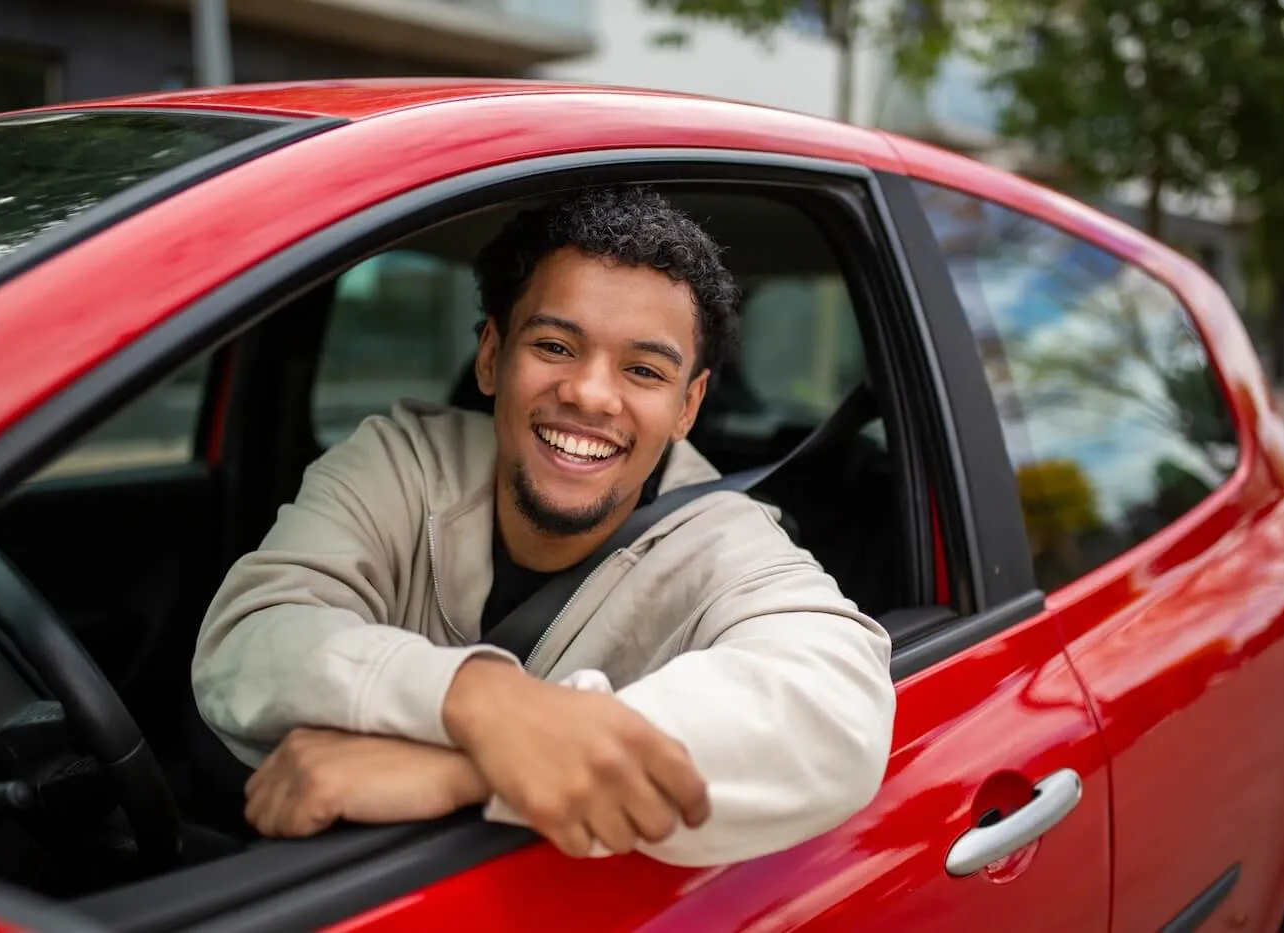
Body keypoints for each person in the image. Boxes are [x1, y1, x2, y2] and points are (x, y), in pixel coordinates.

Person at [192, 185, 896, 867]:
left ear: (688, 406)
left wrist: (477, 769)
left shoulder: (726, 541)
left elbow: (839, 713)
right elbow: (252, 634)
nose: (590, 393)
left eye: (644, 370)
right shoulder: (398, 459)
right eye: (556, 347)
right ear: (493, 355)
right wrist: (477, 701)